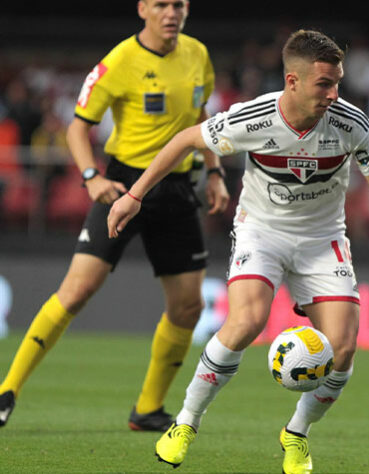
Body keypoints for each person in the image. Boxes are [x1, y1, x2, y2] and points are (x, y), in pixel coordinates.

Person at [107, 29, 369, 473]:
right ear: (292, 81)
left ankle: (296, 433)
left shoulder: (351, 123)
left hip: (324, 240)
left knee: (342, 348)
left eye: (338, 81)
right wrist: (135, 196)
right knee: (246, 321)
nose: (334, 93)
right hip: (262, 232)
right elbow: (185, 140)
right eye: (324, 83)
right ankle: (186, 421)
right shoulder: (254, 118)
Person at [0, 0, 230, 432]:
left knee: (187, 307)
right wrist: (90, 178)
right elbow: (76, 127)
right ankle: (6, 389)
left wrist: (214, 171)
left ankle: (147, 409)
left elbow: (201, 117)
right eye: (162, 4)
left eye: (179, 4)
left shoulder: (197, 54)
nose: (172, 13)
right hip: (124, 186)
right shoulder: (120, 61)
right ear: (143, 8)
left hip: (178, 189)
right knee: (76, 291)